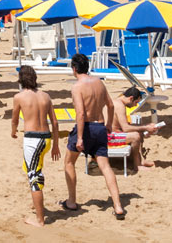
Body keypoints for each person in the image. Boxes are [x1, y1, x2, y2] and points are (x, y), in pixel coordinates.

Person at [61, 54, 125, 220]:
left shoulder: (77, 87)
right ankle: (118, 205)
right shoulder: (98, 82)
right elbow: (110, 105)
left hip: (86, 128)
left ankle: (72, 201)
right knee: (105, 166)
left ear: (74, 69)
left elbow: (81, 113)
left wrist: (80, 137)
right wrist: (109, 124)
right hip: (100, 126)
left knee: (69, 162)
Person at [11, 66, 60, 228]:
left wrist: (13, 132)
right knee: (34, 168)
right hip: (46, 139)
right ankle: (37, 203)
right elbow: (54, 121)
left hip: (33, 139)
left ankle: (40, 220)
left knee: (34, 176)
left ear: (21, 79)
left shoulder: (19, 97)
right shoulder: (45, 96)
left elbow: (15, 119)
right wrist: (56, 145)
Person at [110, 87, 160, 169]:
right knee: (135, 136)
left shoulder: (117, 102)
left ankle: (141, 160)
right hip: (109, 138)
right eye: (136, 102)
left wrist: (145, 128)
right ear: (131, 98)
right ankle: (137, 165)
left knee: (138, 131)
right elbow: (126, 128)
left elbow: (123, 126)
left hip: (111, 134)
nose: (136, 105)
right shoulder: (119, 106)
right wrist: (146, 127)